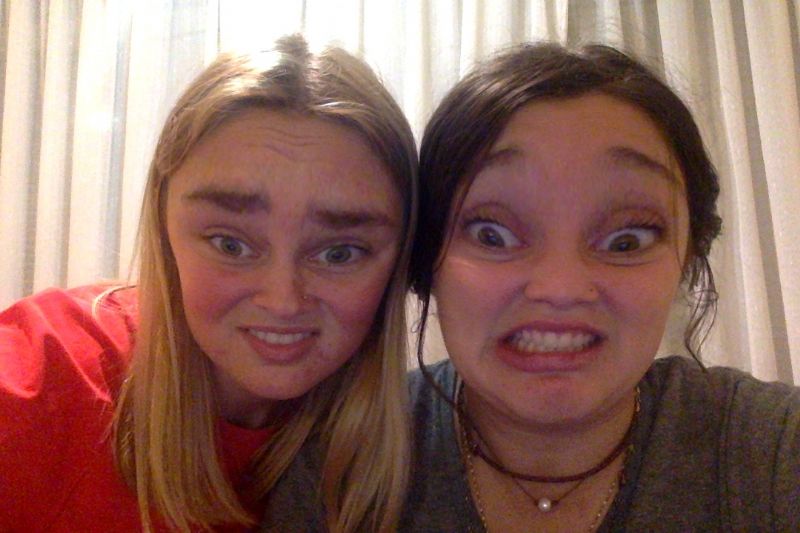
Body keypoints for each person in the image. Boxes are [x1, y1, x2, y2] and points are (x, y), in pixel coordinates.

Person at [0, 34, 417, 533]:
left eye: (339, 253)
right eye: (230, 244)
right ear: (164, 227)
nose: (283, 301)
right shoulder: (39, 385)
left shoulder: (423, 455)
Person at [403, 42, 800, 532]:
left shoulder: (772, 451)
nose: (561, 288)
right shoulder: (345, 452)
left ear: (687, 259)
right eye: (492, 234)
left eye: (626, 239)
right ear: (426, 262)